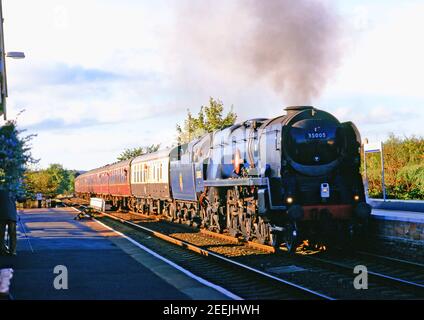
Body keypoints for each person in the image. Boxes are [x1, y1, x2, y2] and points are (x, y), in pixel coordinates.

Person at [0, 190, 17, 256]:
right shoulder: (13, 189)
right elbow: (21, 199)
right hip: (11, 215)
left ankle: (2, 250)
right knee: (12, 234)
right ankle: (12, 251)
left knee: (1, 234)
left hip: (1, 215)